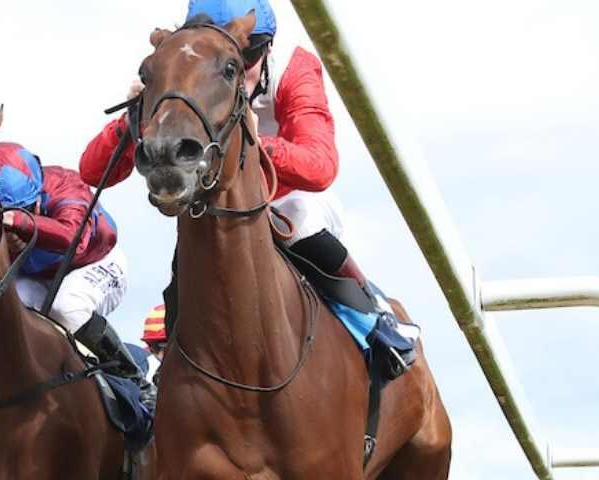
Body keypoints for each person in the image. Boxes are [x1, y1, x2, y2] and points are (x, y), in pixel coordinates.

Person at [77, 0, 417, 380]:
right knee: (192, 250)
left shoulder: (295, 66)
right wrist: (136, 116)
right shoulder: (183, 68)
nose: (240, 68)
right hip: (220, 206)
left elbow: (320, 166)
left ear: (266, 47)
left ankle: (374, 318)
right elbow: (93, 172)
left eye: (249, 55)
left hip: (288, 196)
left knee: (301, 218)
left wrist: (253, 142)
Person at [0, 139, 154, 403]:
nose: (17, 219)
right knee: (4, 311)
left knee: (67, 308)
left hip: (94, 262)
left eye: (28, 207)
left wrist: (22, 222)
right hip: (35, 275)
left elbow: (75, 239)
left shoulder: (65, 183)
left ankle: (136, 382)